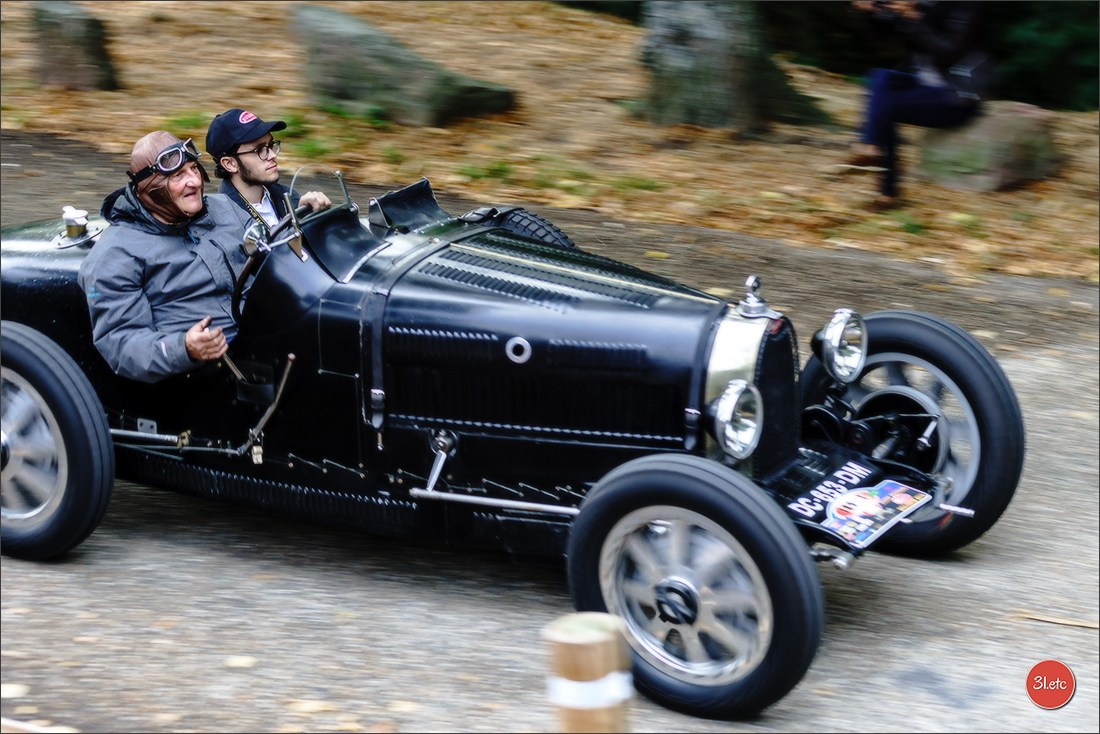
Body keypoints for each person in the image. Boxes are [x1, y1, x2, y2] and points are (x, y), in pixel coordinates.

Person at [78, 131, 253, 383]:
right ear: (151, 189)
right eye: (178, 176)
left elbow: (275, 260)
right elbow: (121, 342)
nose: (193, 181)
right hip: (205, 376)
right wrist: (184, 348)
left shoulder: (224, 208)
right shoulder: (115, 255)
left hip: (267, 336)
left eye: (193, 169)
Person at [847, 0, 992, 210]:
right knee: (880, 77)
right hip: (922, 86)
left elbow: (949, 50)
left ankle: (886, 190)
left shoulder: (965, 5)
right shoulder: (919, 4)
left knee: (886, 105)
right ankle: (869, 146)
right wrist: (870, 11)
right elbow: (881, 37)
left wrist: (913, 18)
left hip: (958, 96)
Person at [205, 108, 331, 230]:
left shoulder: (288, 198)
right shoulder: (222, 224)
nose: (272, 155)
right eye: (259, 150)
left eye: (271, 145)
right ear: (230, 164)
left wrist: (308, 218)